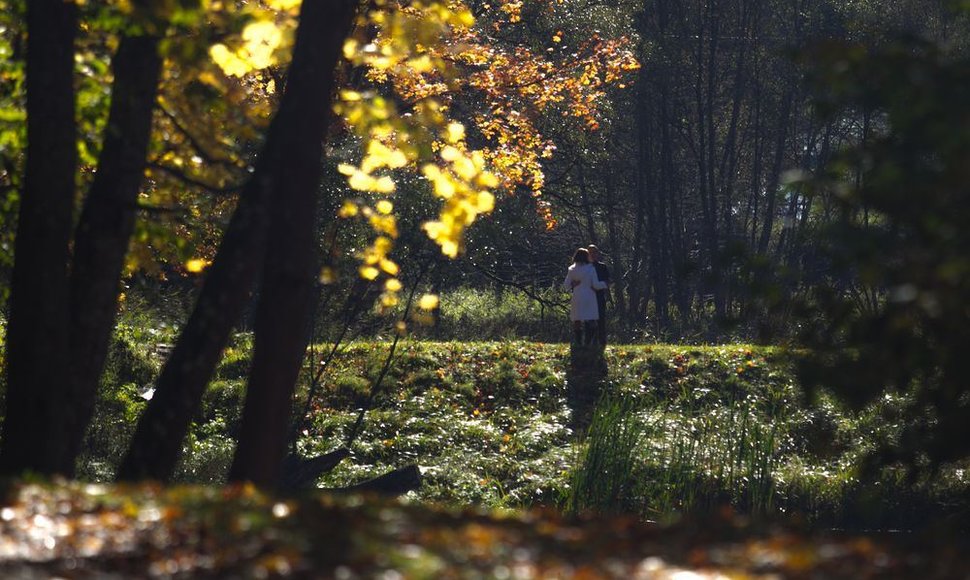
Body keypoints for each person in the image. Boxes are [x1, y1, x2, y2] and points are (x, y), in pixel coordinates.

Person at [563, 247, 607, 345]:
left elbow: (566, 286)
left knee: (577, 320)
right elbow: (595, 284)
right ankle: (588, 342)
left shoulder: (571, 269)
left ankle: (578, 342)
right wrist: (604, 284)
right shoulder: (591, 269)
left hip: (577, 296)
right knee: (591, 319)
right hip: (589, 296)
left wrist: (572, 285)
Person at [587, 245, 611, 345]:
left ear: (597, 254)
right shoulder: (583, 267)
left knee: (601, 320)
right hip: (587, 298)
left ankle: (602, 343)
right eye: (590, 252)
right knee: (588, 322)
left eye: (594, 252)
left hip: (599, 297)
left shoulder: (602, 267)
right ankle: (588, 343)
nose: (592, 255)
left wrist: (598, 286)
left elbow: (608, 282)